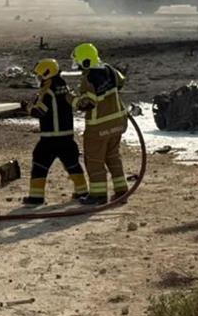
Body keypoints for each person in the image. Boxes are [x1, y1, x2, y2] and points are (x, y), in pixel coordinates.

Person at [21, 58, 89, 206]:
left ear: (47, 73)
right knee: (72, 164)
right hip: (67, 137)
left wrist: (27, 108)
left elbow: (39, 112)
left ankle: (36, 197)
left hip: (50, 138)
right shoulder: (63, 86)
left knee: (39, 164)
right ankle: (83, 192)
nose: (39, 79)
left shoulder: (48, 90)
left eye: (40, 76)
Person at [72, 43, 129, 206]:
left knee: (94, 160)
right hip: (118, 123)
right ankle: (121, 191)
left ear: (85, 61)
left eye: (78, 61)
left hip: (99, 128)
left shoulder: (89, 78)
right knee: (113, 157)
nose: (77, 65)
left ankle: (98, 195)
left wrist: (71, 98)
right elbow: (121, 82)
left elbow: (87, 104)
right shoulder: (110, 69)